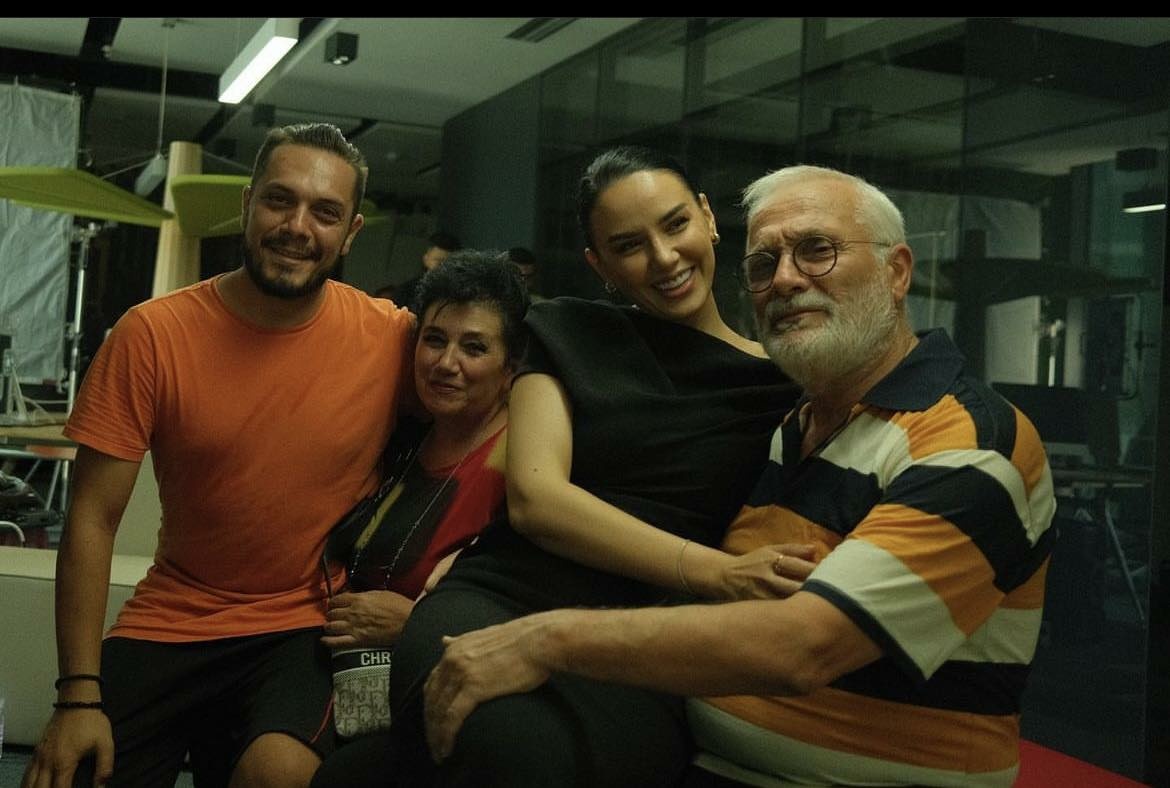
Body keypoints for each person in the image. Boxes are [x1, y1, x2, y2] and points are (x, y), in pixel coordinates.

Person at [421, 164, 1056, 787]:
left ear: (897, 272)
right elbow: (562, 507)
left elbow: (805, 647)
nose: (785, 280)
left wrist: (544, 639)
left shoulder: (968, 444)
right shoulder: (792, 427)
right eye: (764, 264)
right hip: (691, 748)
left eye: (817, 251)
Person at [385, 145, 806, 787]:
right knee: (508, 749)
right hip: (502, 600)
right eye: (629, 245)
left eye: (675, 224)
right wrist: (719, 573)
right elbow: (536, 501)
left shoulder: (782, 388)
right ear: (599, 264)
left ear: (707, 217)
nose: (664, 258)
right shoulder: (564, 332)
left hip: (649, 642)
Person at [21, 122, 417, 788]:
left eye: (324, 213)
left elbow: (486, 414)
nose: (297, 227)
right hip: (173, 615)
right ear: (246, 204)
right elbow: (91, 518)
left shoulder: (392, 338)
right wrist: (77, 697)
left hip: (304, 625)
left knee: (278, 775)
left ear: (349, 233)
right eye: (279, 200)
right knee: (75, 772)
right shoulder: (151, 334)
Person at [310, 250, 529, 786]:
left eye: (474, 347)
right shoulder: (404, 435)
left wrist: (415, 626)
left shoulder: (523, 462)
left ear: (511, 367)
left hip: (441, 704)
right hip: (341, 677)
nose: (446, 363)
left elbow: (532, 616)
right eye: (434, 339)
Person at [395, 231, 462, 313]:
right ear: (426, 259)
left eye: (449, 262)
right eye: (438, 261)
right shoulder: (406, 292)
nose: (443, 266)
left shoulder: (460, 295)